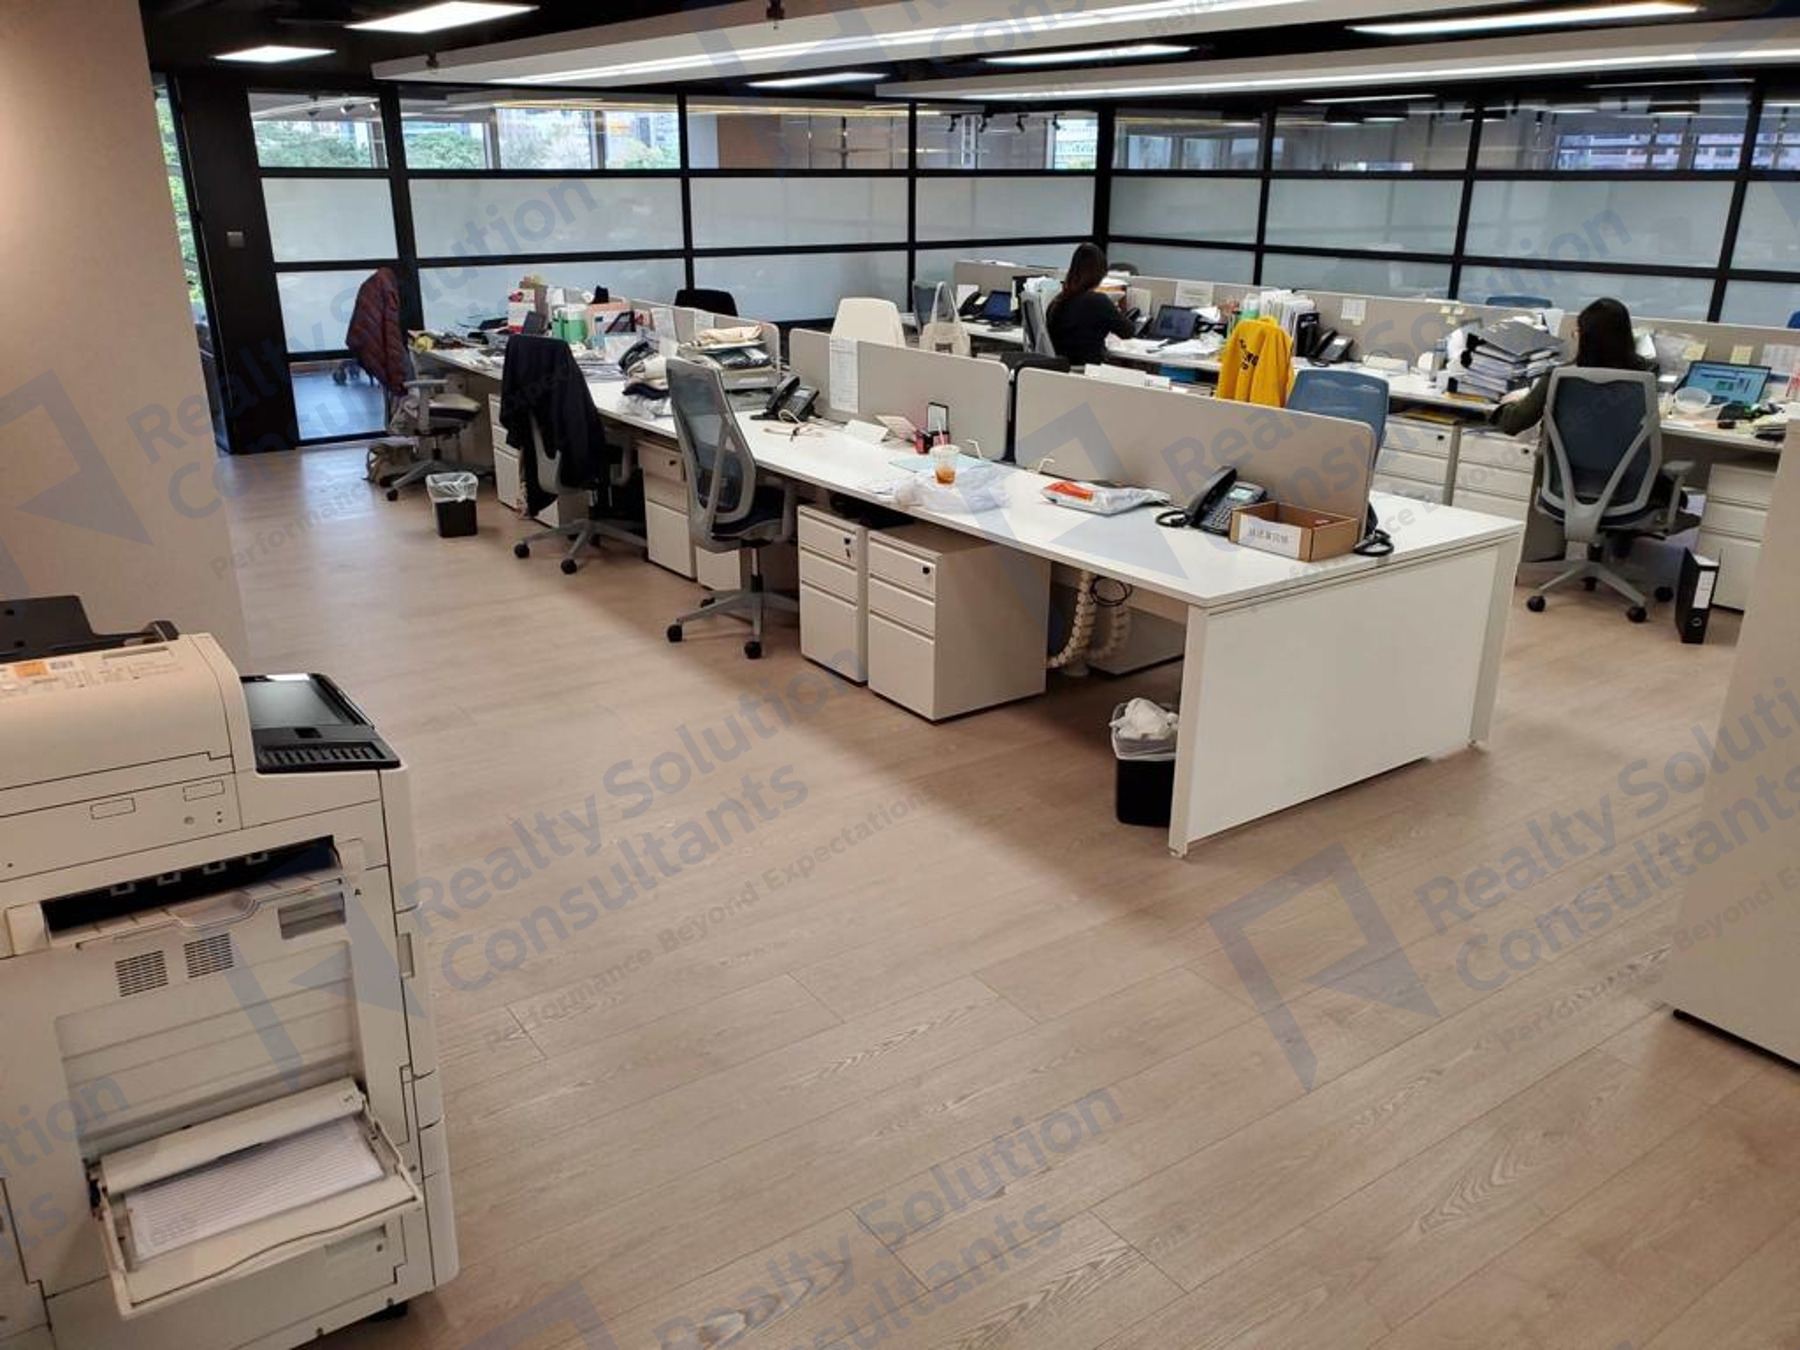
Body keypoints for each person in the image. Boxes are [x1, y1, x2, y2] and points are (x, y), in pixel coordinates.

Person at [1492, 296, 1645, 436]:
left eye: (1578, 332)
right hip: (1628, 458)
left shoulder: (1561, 377)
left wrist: (1511, 402)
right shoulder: (1645, 375)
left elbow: (1512, 424)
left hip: (1564, 459)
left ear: (1586, 339)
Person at [1046, 243, 1135, 367]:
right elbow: (1128, 332)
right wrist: (1116, 311)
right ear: (1099, 273)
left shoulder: (1058, 300)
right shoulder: (1098, 301)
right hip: (1088, 372)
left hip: (1062, 371)